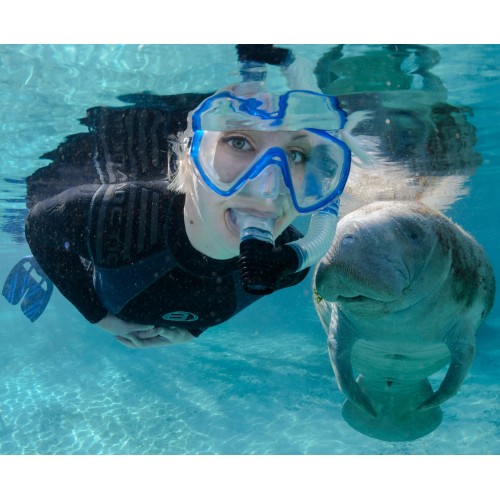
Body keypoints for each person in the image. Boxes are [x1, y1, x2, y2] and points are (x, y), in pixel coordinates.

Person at [4, 46, 358, 349]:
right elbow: (39, 227)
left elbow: (226, 293)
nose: (267, 187)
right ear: (192, 157)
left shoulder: (288, 264)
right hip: (96, 277)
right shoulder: (118, 213)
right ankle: (40, 268)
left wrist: (194, 328)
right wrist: (97, 317)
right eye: (238, 142)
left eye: (296, 155)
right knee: (62, 246)